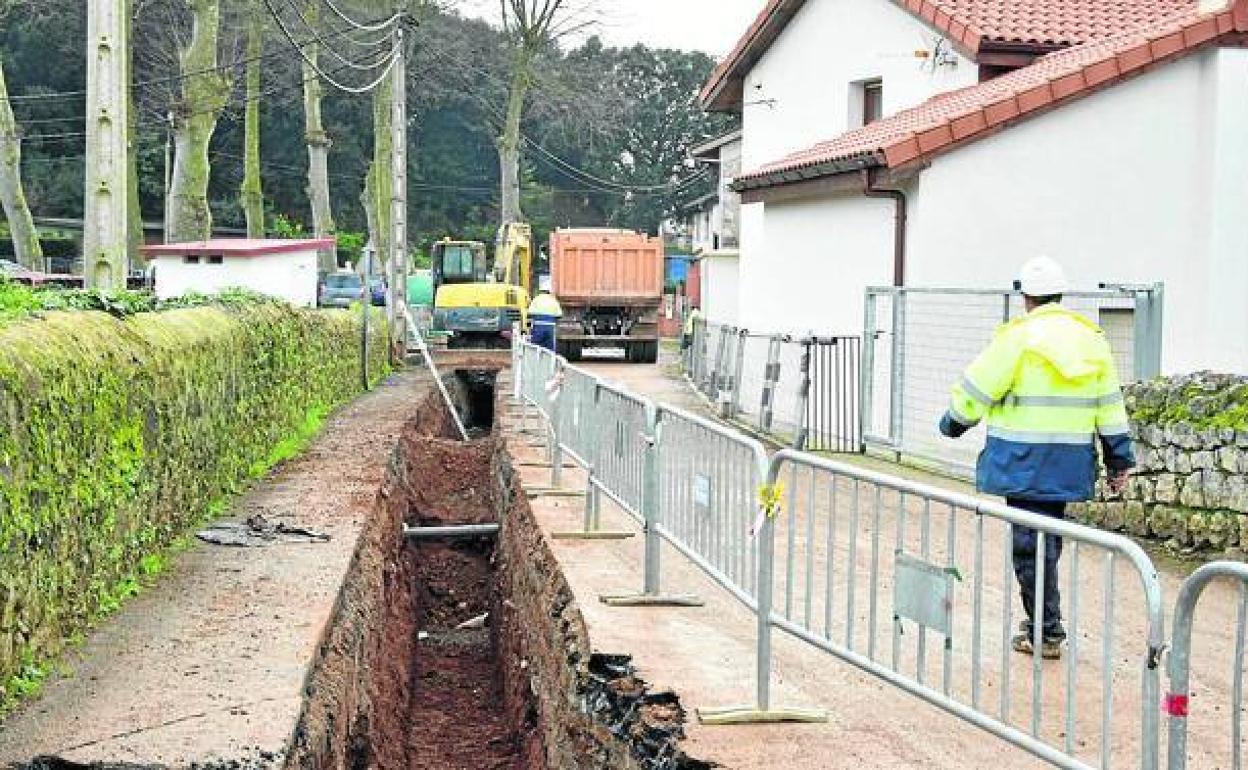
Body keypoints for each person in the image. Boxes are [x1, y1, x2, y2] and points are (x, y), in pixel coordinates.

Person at [938, 256, 1134, 660]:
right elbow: (1110, 406)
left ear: (1025, 296)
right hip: (1068, 462)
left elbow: (978, 387)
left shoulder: (1018, 338)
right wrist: (1119, 460)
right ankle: (1045, 624)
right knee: (1047, 541)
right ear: (1060, 294)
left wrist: (953, 423)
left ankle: (1046, 630)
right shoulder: (1091, 339)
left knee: (1030, 545)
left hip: (1022, 460)